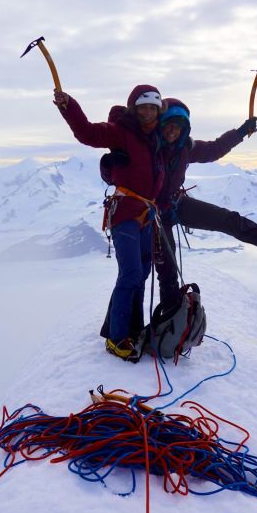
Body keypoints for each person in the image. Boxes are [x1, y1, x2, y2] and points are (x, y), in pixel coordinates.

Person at [53, 85, 165, 362]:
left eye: (153, 107)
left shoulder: (156, 140)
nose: (148, 112)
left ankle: (133, 329)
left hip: (146, 215)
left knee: (140, 273)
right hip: (126, 213)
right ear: (134, 109)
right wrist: (69, 105)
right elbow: (87, 132)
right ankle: (116, 339)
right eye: (143, 107)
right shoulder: (122, 132)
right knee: (130, 274)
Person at [155, 98, 257, 309]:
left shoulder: (185, 147)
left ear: (184, 129)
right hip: (152, 213)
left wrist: (241, 132)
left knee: (229, 220)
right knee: (166, 270)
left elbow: (215, 149)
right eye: (168, 124)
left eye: (178, 126)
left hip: (176, 204)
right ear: (161, 124)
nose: (172, 130)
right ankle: (164, 326)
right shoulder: (150, 146)